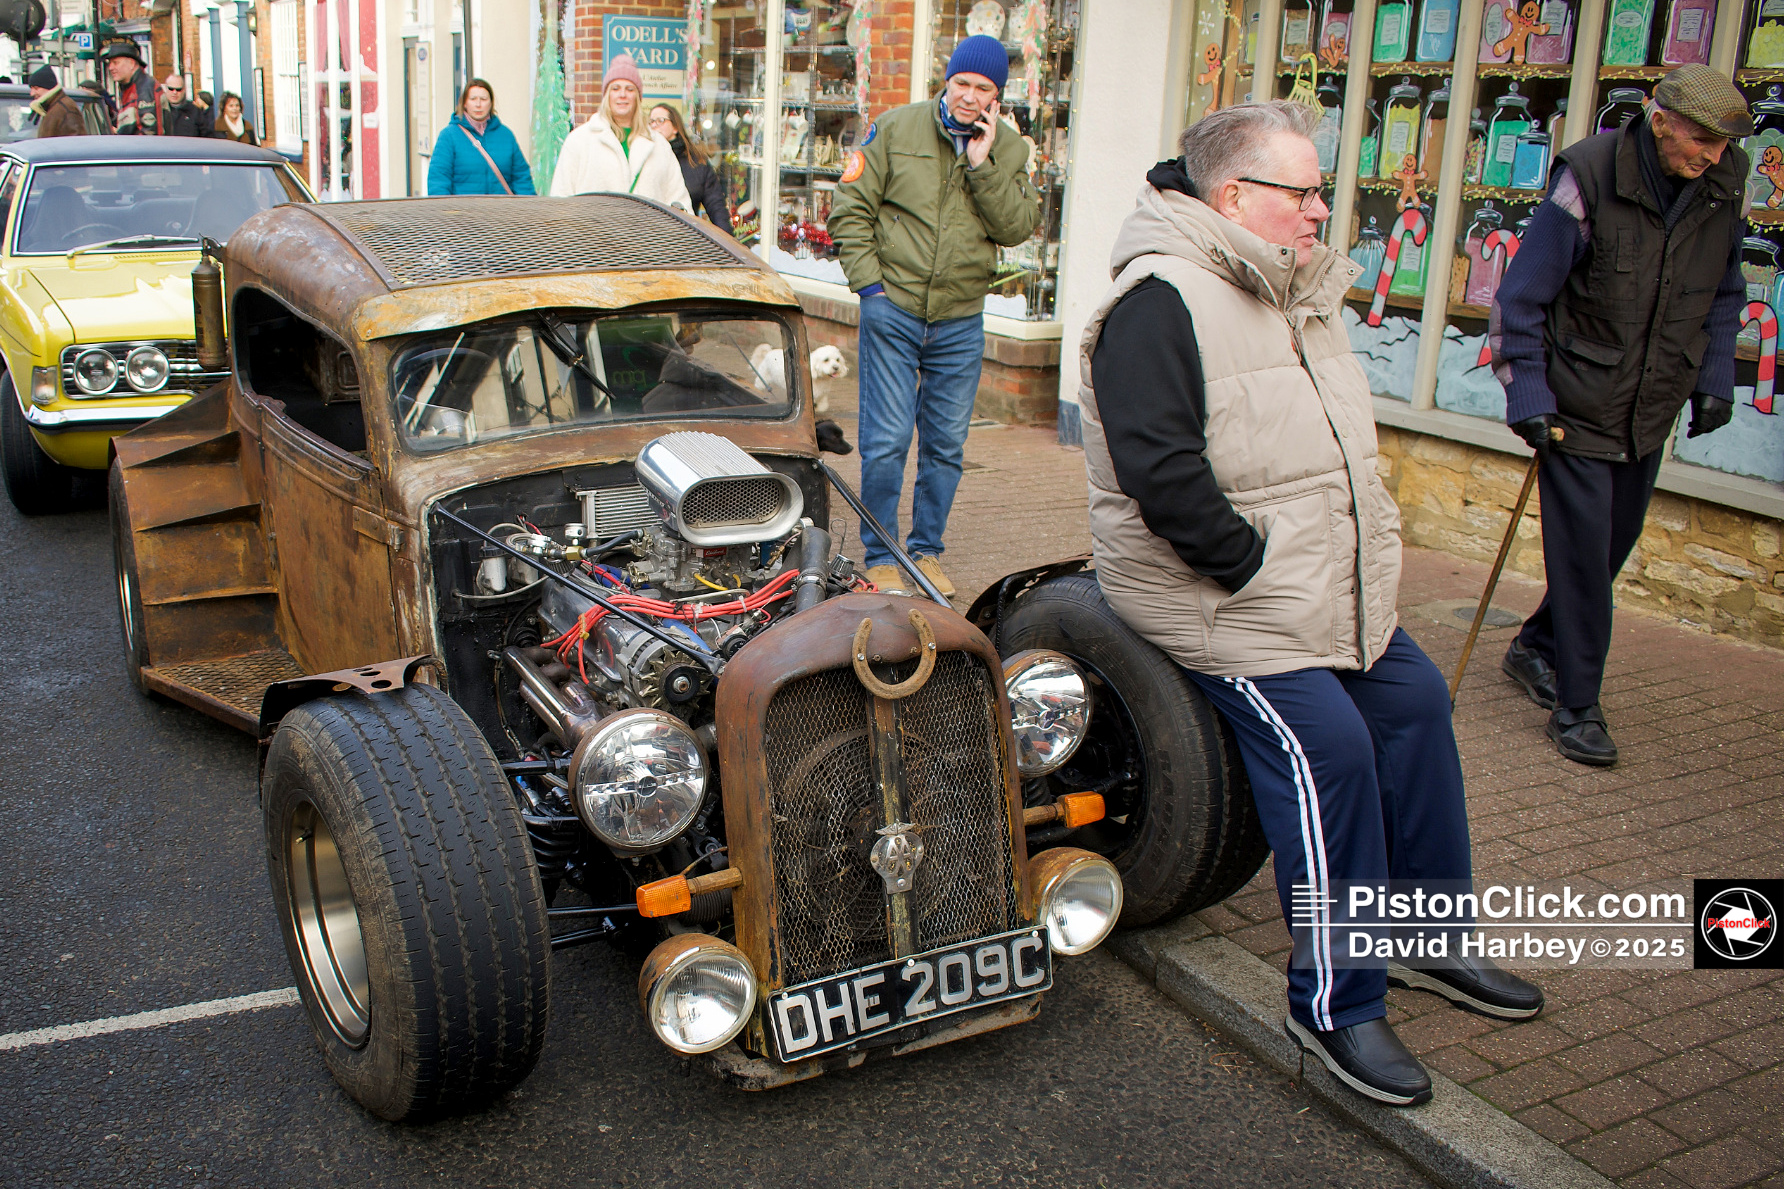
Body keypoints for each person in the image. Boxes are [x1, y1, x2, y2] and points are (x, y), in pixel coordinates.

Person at [1081, 100, 1543, 1108]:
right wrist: (1248, 568)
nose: (1320, 209)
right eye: (1302, 191)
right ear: (1233, 196)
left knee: (1414, 708)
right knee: (1326, 750)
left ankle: (1423, 938)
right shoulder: (1158, 299)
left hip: (1316, 582)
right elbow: (1161, 477)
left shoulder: (1291, 286)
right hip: (1218, 592)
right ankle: (1332, 1001)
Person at [1489, 65, 1749, 767]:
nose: (1712, 156)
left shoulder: (1723, 182)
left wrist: (1715, 379)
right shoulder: (1589, 178)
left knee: (1609, 548)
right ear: (1659, 117)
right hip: (1578, 401)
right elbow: (1520, 301)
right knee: (1581, 558)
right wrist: (1530, 397)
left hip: (1649, 406)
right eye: (1701, 139)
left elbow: (1724, 290)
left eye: (1724, 143)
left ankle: (1535, 648)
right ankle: (1578, 707)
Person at [827, 34, 1040, 597]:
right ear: (947, 81)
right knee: (886, 440)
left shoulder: (1010, 150)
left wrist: (982, 164)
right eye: (962, 84)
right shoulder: (896, 129)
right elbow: (849, 209)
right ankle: (880, 553)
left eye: (983, 89)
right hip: (892, 309)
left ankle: (927, 550)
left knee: (945, 445)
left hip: (960, 318)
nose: (970, 98)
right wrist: (870, 289)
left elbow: (1015, 227)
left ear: (998, 95)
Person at [549, 55, 689, 208]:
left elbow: (679, 202)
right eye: (615, 88)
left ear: (637, 96)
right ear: (607, 95)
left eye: (629, 89)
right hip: (591, 231)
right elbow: (560, 199)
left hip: (648, 231)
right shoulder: (579, 140)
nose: (622, 94)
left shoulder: (659, 145)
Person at [427, 79, 534, 196]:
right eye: (473, 99)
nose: (478, 104)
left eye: (483, 99)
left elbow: (522, 178)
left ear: (491, 103)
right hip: (464, 212)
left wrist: (530, 209)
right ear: (464, 103)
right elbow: (438, 180)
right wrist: (444, 212)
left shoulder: (506, 135)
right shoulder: (448, 136)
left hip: (501, 211)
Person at [648, 103, 730, 232]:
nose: (654, 125)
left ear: (675, 127)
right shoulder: (646, 159)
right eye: (651, 122)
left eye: (661, 121)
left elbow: (716, 206)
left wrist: (727, 242)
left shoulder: (696, 163)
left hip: (685, 238)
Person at [102, 40, 157, 136]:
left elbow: (149, 133)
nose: (110, 67)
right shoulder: (128, 88)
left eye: (115, 63)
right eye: (109, 63)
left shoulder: (144, 88)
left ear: (131, 63)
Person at [27, 66, 84, 139]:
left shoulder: (65, 108)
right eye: (31, 89)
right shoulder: (52, 107)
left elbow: (76, 141)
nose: (32, 93)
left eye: (36, 88)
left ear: (48, 86)